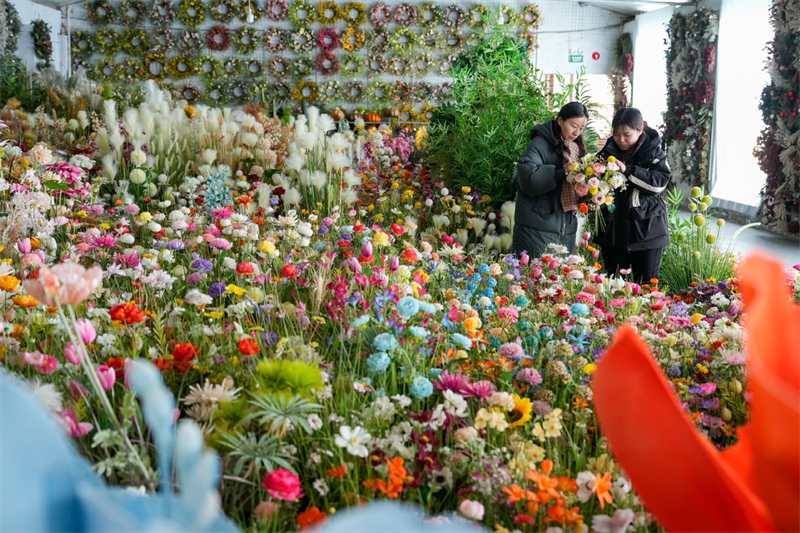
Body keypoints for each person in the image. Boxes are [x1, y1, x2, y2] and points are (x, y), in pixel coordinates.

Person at [595, 107, 670, 282]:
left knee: (647, 289)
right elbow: (595, 181)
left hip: (647, 231)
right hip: (613, 233)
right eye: (616, 134)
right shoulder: (606, 153)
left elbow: (658, 185)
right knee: (613, 288)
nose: (621, 140)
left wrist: (627, 170)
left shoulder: (654, 153)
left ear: (640, 130)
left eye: (627, 135)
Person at [513, 102, 589, 258]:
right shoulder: (540, 143)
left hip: (565, 229)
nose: (577, 132)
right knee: (534, 278)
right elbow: (528, 177)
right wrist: (561, 173)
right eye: (573, 126)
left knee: (559, 279)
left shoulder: (575, 148)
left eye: (581, 128)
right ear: (560, 120)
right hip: (537, 227)